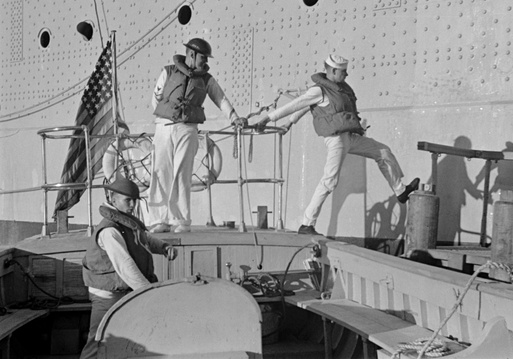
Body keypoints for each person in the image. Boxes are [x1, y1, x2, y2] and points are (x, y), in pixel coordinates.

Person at [255, 54, 419, 235]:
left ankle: (400, 191)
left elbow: (303, 108)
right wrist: (268, 119)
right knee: (329, 181)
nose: (347, 75)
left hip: (349, 137)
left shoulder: (339, 89)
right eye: (343, 72)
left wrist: (289, 123)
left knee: (383, 152)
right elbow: (298, 104)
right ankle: (306, 224)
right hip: (335, 140)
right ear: (332, 71)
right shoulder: (319, 90)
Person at [148, 38, 247, 233]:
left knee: (182, 173)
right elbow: (156, 99)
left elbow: (220, 98)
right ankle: (158, 220)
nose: (205, 61)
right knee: (160, 171)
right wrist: (167, 117)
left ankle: (180, 220)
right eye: (203, 57)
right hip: (164, 127)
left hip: (187, 128)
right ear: (191, 54)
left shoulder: (207, 79)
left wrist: (233, 117)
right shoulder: (168, 72)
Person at [80, 178, 178, 359]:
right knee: (98, 342)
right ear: (112, 199)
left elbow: (143, 239)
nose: (132, 205)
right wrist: (147, 292)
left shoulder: (125, 222)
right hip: (107, 295)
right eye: (128, 200)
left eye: (135, 200)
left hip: (125, 291)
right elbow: (125, 266)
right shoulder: (109, 230)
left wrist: (163, 247)